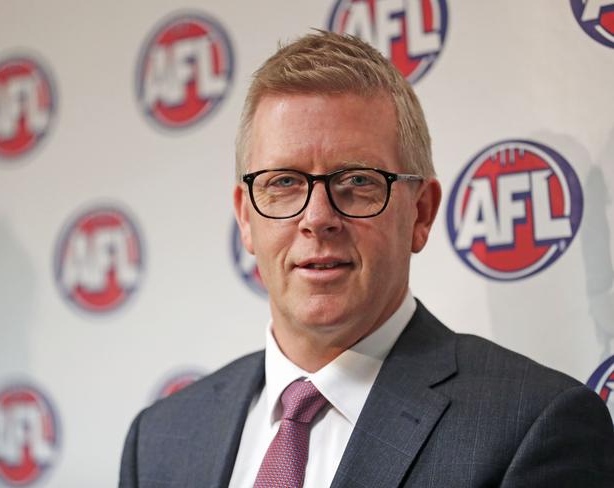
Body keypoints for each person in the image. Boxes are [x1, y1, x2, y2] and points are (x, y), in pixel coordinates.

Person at [119, 31, 614, 487]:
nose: (317, 218)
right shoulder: (160, 440)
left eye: (356, 182)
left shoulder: (533, 425)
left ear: (420, 213)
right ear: (246, 218)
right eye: (284, 182)